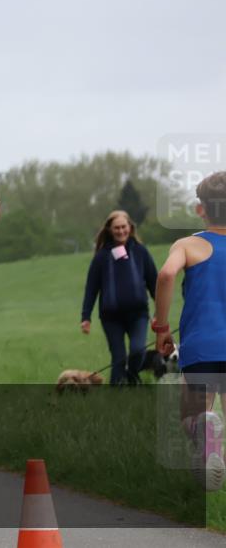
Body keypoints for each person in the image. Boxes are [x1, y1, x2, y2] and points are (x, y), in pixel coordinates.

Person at [153, 171, 226, 491]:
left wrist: (162, 328)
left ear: (201, 209)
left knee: (191, 416)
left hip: (202, 347)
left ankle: (202, 427)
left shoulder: (188, 244)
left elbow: (167, 274)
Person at [79, 210, 158, 385]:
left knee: (138, 351)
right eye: (116, 228)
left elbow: (154, 283)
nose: (121, 231)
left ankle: (131, 376)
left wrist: (159, 310)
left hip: (138, 314)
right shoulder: (101, 257)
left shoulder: (140, 252)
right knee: (119, 357)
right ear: (109, 230)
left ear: (130, 227)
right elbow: (91, 288)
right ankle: (117, 392)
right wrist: (86, 317)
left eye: (124, 227)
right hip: (111, 317)